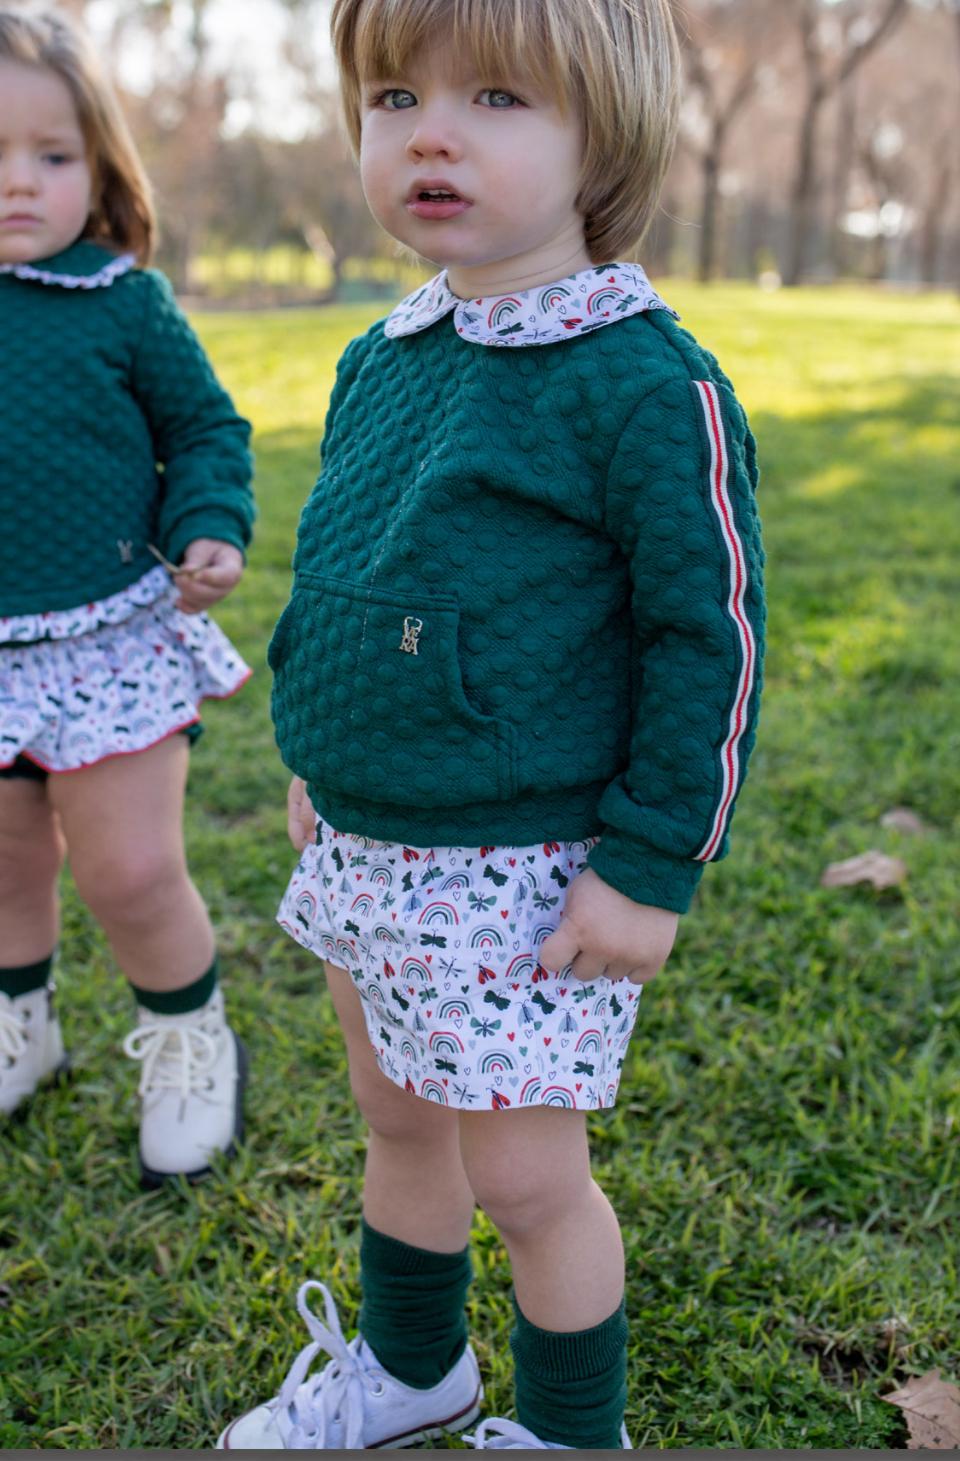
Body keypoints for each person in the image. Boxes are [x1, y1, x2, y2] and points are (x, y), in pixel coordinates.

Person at [219, 0, 764, 1448]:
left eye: (500, 98)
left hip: (525, 872)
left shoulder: (645, 380)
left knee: (526, 1178)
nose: (431, 130)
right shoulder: (380, 356)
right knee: (397, 1119)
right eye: (394, 96)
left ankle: (576, 1431)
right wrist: (313, 759)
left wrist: (651, 864)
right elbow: (344, 574)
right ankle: (412, 1369)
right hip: (370, 841)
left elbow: (709, 645)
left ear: (608, 136)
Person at [0, 6, 255, 1187]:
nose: (19, 184)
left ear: (98, 165)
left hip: (106, 634)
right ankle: (24, 1028)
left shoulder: (121, 302)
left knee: (130, 871)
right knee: (5, 863)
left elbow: (203, 426)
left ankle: (190, 1041)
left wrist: (207, 521)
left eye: (50, 156)